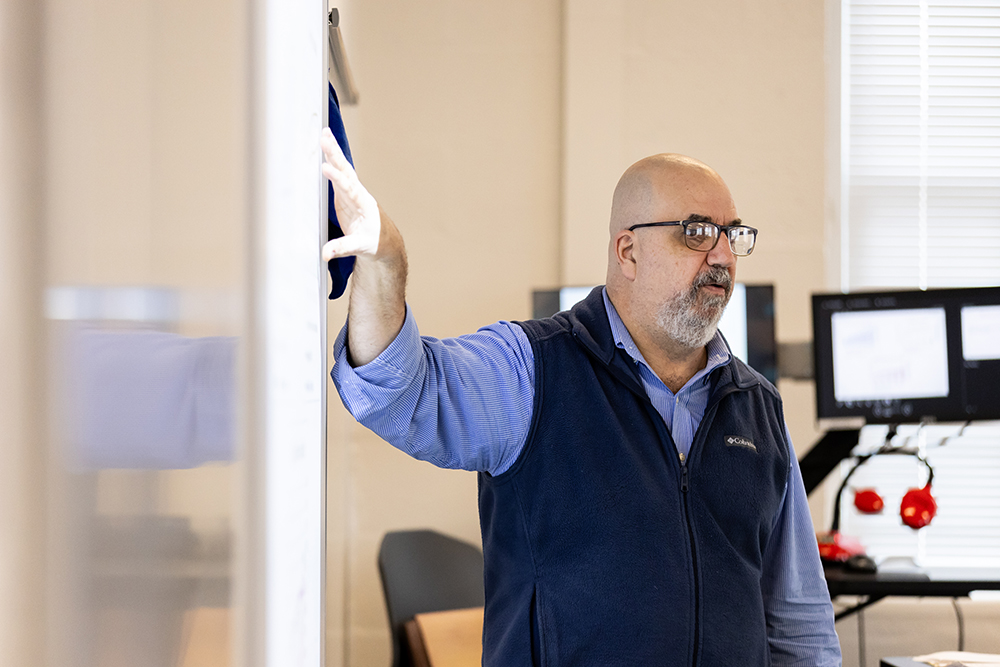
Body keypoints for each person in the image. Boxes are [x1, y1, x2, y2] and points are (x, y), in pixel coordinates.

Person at [320, 128, 841, 666]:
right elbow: (399, 392)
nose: (723, 256)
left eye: (732, 234)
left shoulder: (757, 406)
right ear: (628, 250)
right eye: (697, 232)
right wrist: (386, 263)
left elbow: (798, 624)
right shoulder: (532, 372)